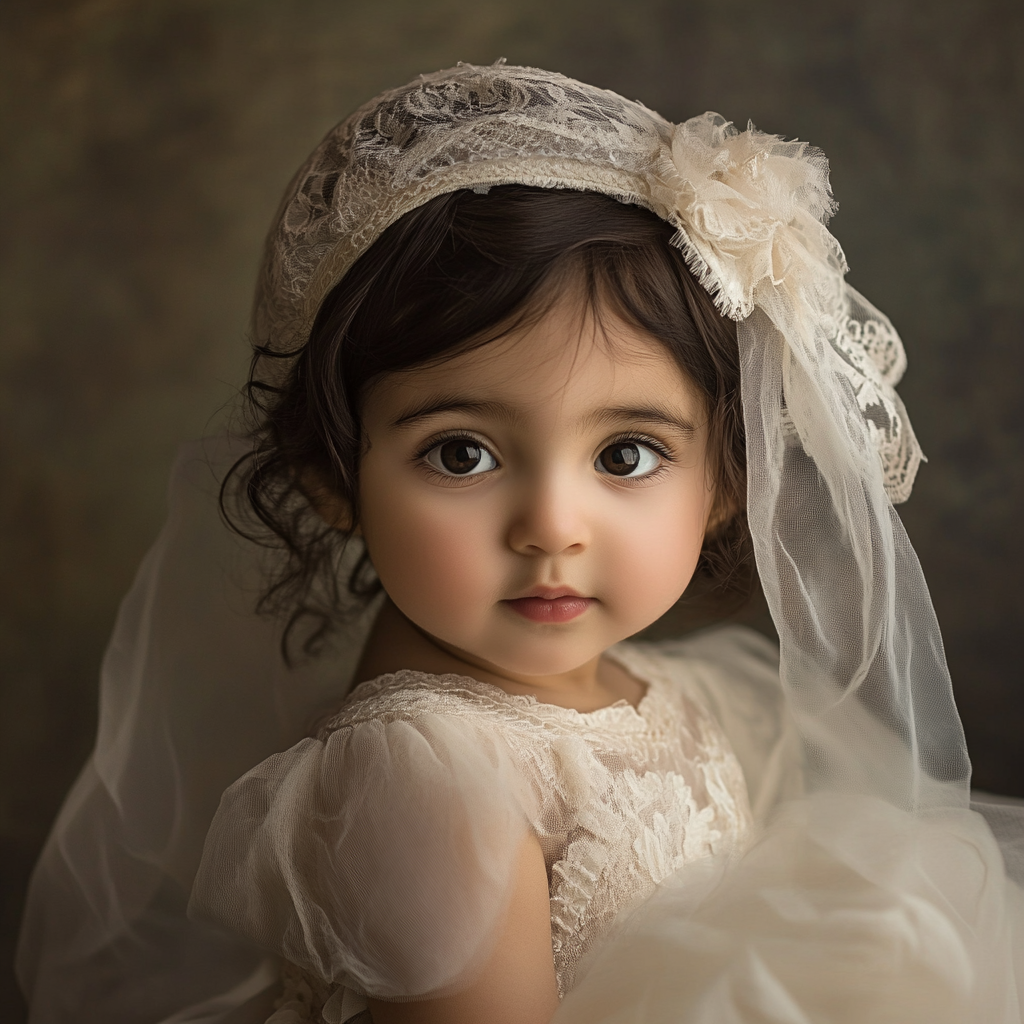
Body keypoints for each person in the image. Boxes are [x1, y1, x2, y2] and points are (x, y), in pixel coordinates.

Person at [16, 62, 1024, 1024]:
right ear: (333, 477)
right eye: (461, 454)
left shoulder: (652, 692)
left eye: (626, 455)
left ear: (726, 482)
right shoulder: (421, 775)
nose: (551, 525)